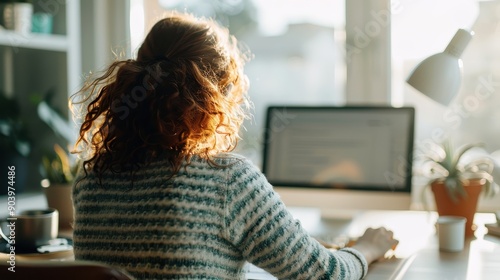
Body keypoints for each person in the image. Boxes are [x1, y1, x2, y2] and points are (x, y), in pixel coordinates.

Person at [70, 12, 398, 280]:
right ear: (215, 97)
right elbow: (327, 275)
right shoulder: (227, 180)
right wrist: (369, 247)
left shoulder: (89, 179)